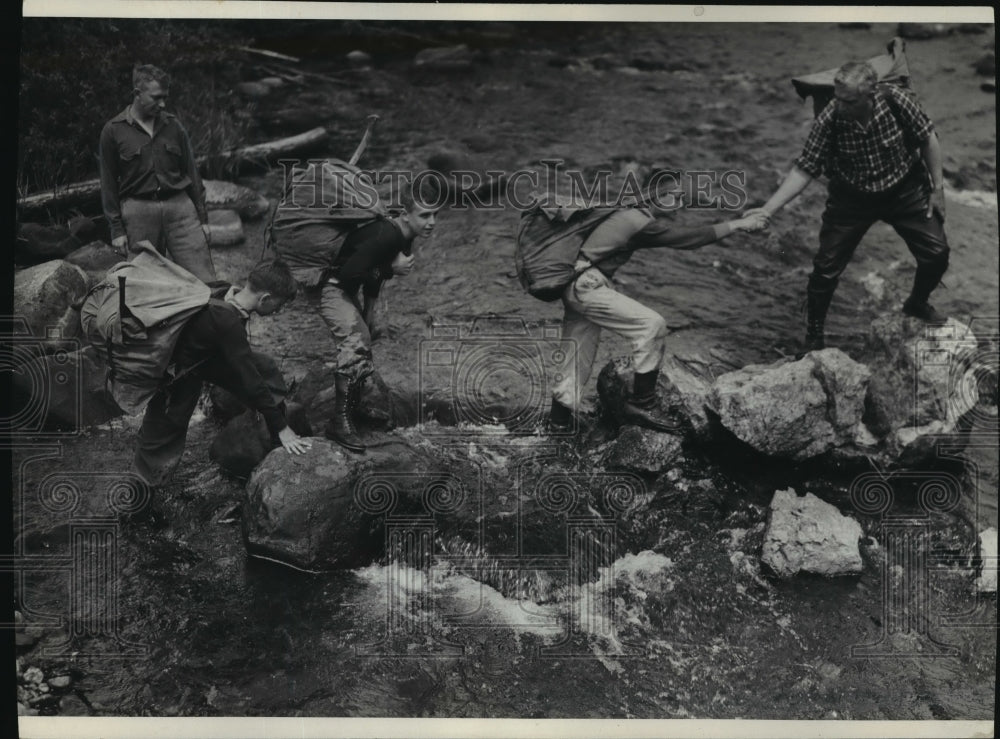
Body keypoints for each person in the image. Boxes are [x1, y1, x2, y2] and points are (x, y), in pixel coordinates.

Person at [746, 61, 950, 352]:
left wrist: (937, 189)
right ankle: (814, 335)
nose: (840, 106)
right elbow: (804, 169)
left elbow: (928, 137)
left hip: (903, 188)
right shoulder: (831, 117)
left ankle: (917, 303)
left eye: (849, 101)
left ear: (871, 95)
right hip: (851, 198)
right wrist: (768, 210)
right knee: (825, 269)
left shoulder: (895, 100)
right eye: (837, 98)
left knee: (937, 253)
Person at [547, 205, 767, 432]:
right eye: (678, 196)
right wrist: (738, 224)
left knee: (577, 352)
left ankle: (558, 423)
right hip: (587, 285)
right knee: (651, 326)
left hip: (573, 283)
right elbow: (687, 238)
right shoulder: (638, 220)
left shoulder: (623, 213)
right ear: (662, 195)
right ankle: (642, 404)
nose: (680, 203)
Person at [133, 259, 311, 489]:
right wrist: (282, 427)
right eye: (280, 304)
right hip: (174, 380)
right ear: (265, 298)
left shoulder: (222, 290)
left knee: (264, 366)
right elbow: (249, 378)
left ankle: (273, 440)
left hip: (193, 368)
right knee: (160, 442)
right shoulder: (227, 320)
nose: (280, 310)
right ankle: (134, 511)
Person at [320, 186, 438, 452]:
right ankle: (339, 424)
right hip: (330, 287)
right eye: (424, 215)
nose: (431, 222)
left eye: (435, 215)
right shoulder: (387, 235)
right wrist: (390, 268)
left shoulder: (404, 236)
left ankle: (354, 409)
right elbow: (351, 273)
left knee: (366, 337)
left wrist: (369, 313)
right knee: (356, 342)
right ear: (405, 215)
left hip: (346, 288)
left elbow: (374, 279)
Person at [99, 63, 217, 283]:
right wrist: (116, 230)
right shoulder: (113, 130)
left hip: (180, 209)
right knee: (144, 285)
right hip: (138, 212)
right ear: (137, 93)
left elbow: (192, 173)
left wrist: (203, 219)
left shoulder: (174, 126)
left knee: (205, 281)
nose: (162, 104)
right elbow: (108, 184)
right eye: (156, 97)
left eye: (165, 97)